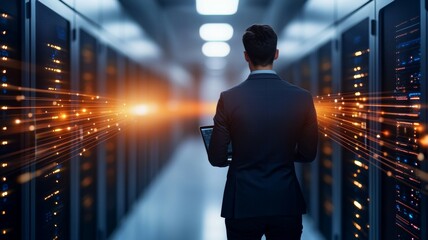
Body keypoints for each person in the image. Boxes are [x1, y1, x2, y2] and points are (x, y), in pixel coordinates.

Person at [208, 24, 318, 240]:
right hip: (285, 201)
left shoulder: (229, 99)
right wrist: (283, 153)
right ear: (276, 54)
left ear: (246, 56)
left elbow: (217, 158)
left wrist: (240, 154)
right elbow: (308, 153)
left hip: (242, 203)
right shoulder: (302, 98)